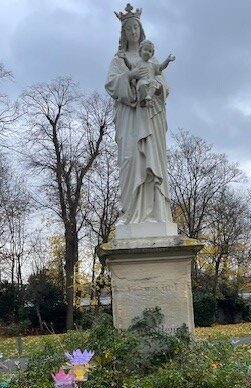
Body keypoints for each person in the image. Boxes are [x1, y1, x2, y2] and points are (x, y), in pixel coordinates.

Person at [105, 5, 174, 227]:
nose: (133, 32)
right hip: (129, 118)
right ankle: (131, 214)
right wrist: (131, 75)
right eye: (128, 29)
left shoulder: (152, 57)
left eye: (135, 27)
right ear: (123, 33)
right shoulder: (118, 59)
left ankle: (155, 214)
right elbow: (111, 84)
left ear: (140, 29)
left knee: (151, 160)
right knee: (130, 159)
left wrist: (154, 86)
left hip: (151, 117)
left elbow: (164, 84)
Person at [118, 40, 175, 107]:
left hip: (151, 80)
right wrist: (125, 58)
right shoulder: (137, 63)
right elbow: (130, 66)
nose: (147, 52)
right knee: (142, 85)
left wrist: (167, 60)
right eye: (145, 50)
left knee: (154, 83)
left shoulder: (153, 64)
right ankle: (143, 101)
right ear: (140, 51)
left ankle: (149, 97)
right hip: (142, 80)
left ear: (152, 54)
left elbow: (161, 67)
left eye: (150, 51)